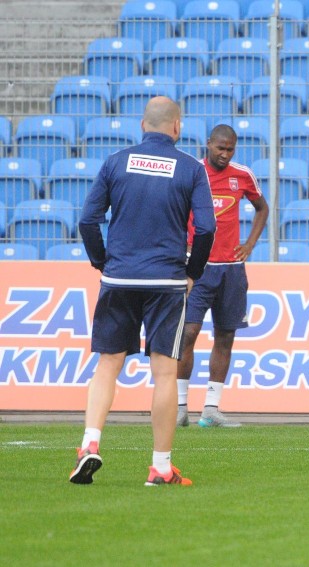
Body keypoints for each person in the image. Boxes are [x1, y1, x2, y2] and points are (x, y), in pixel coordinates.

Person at [70, 96, 215, 486]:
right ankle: (161, 467)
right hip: (166, 281)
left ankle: (90, 443)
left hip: (119, 277)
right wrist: (192, 273)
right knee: (165, 373)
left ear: (141, 125)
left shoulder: (116, 162)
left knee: (107, 364)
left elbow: (87, 220)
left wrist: (102, 261)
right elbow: (205, 229)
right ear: (177, 127)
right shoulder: (190, 168)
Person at [176, 125, 269, 428]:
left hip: (231, 269)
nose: (225, 154)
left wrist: (250, 244)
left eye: (230, 149)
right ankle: (179, 407)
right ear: (209, 144)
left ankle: (210, 410)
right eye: (220, 148)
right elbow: (175, 211)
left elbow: (262, 208)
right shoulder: (192, 173)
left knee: (225, 336)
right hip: (197, 268)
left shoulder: (242, 175)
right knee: (187, 333)